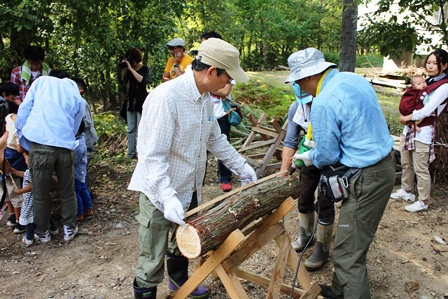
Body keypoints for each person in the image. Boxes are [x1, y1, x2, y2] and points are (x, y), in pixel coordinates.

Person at [128, 38, 257, 299]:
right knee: (152, 257)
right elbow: (151, 157)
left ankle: (180, 286)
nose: (228, 85)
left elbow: (215, 139)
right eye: (228, 78)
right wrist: (167, 196)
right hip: (158, 190)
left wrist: (241, 165)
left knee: (181, 243)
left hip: (189, 185)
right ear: (211, 72)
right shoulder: (167, 98)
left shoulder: (206, 99)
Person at [287, 48, 395, 299]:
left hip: (367, 177)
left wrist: (307, 156)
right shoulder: (353, 79)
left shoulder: (323, 102)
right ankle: (339, 290)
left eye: (299, 81)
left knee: (347, 252)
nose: (300, 87)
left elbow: (328, 156)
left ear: (310, 76)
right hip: (383, 167)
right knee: (350, 240)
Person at [15, 69, 85, 243]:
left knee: (40, 193)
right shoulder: (75, 93)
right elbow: (77, 125)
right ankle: (69, 229)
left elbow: (24, 109)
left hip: (41, 145)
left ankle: (43, 232)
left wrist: (21, 136)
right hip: (65, 147)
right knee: (67, 191)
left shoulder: (41, 83)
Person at [280, 82, 334, 271]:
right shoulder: (296, 108)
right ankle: (306, 235)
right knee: (304, 195)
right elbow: (290, 140)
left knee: (325, 200)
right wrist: (284, 170)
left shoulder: (328, 104)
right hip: (308, 154)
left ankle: (322, 246)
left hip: (330, 156)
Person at [392, 49, 448, 213]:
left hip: (424, 130)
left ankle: (423, 200)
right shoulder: (426, 81)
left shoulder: (443, 86)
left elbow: (429, 109)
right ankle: (406, 190)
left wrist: (406, 118)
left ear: (444, 66)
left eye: (434, 63)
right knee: (406, 161)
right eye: (428, 62)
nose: (430, 66)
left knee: (420, 166)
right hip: (409, 128)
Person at [200, 31, 236, 192]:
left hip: (220, 116)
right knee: (200, 152)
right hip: (203, 117)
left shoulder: (226, 67)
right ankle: (198, 180)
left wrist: (242, 166)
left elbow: (226, 91)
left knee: (222, 145)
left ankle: (225, 178)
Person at [12, 150, 59, 245]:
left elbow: (31, 187)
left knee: (31, 219)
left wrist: (19, 191)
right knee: (46, 214)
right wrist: (14, 172)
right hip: (43, 198)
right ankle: (54, 229)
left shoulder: (30, 171)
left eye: (26, 158)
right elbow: (24, 175)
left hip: (31, 200)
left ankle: (29, 237)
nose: (25, 159)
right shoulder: (41, 170)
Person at [120, 48, 149, 159]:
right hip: (130, 102)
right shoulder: (128, 70)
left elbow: (143, 81)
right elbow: (123, 82)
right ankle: (131, 153)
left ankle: (141, 152)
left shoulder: (144, 69)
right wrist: (126, 69)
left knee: (140, 128)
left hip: (140, 101)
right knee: (131, 128)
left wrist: (132, 69)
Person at [72, 78, 98, 194]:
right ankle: (86, 198)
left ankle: (86, 199)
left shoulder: (81, 102)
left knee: (82, 172)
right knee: (81, 171)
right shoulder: (75, 101)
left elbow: (87, 122)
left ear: (80, 90)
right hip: (83, 142)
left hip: (87, 142)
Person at [74, 120, 93, 221]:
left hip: (76, 173)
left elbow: (75, 160)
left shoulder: (77, 145)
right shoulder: (81, 139)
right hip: (81, 172)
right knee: (83, 189)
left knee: (76, 192)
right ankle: (89, 208)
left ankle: (80, 212)